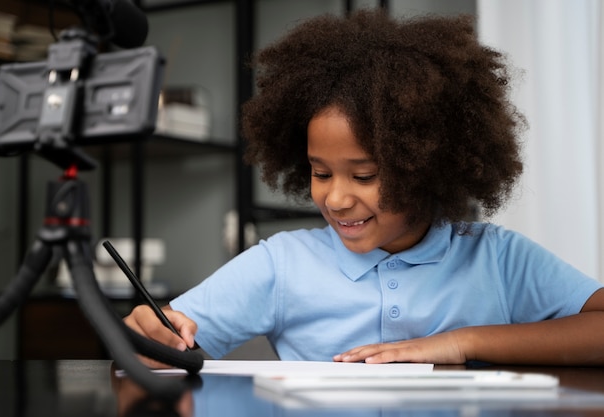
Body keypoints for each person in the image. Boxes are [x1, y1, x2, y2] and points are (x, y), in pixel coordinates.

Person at [125, 10, 604, 366]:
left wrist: (463, 341)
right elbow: (155, 348)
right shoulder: (282, 265)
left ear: (426, 166)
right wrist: (148, 338)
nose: (335, 199)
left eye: (365, 176)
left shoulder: (498, 260)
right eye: (320, 172)